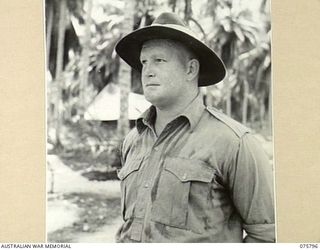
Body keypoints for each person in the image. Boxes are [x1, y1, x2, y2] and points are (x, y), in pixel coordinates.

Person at [114, 12, 275, 243]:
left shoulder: (234, 143)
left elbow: (267, 236)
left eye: (159, 60)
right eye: (144, 62)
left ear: (190, 70)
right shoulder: (133, 141)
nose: (147, 71)